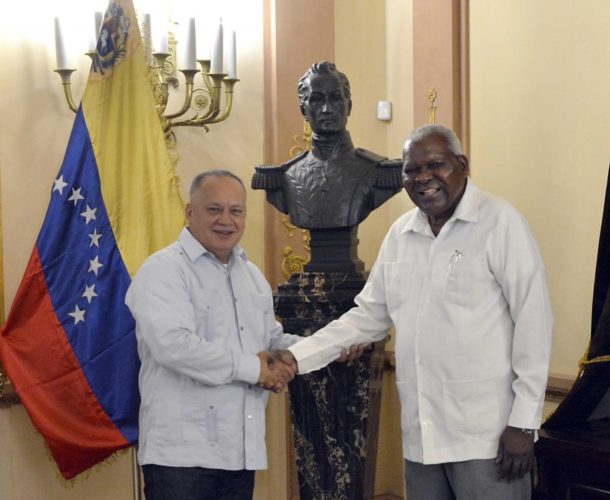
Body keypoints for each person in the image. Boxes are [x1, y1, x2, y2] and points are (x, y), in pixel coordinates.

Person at [277, 124, 553, 499]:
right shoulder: (400, 234)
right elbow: (368, 316)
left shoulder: (500, 223)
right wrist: (295, 355)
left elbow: (534, 323)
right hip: (421, 436)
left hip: (486, 438)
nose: (423, 178)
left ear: (462, 164)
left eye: (435, 165)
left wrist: (523, 424)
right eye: (411, 170)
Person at [125, 170, 302, 500]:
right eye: (214, 209)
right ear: (190, 212)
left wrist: (320, 348)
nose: (226, 220)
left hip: (240, 453)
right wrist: (256, 370)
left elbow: (271, 340)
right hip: (181, 460)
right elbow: (173, 346)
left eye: (236, 211)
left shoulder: (251, 275)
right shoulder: (163, 270)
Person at [252, 61, 402, 230]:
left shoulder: (378, 172)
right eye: (316, 100)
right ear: (303, 110)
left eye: (335, 98)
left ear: (349, 106)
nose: (326, 109)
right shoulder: (284, 176)